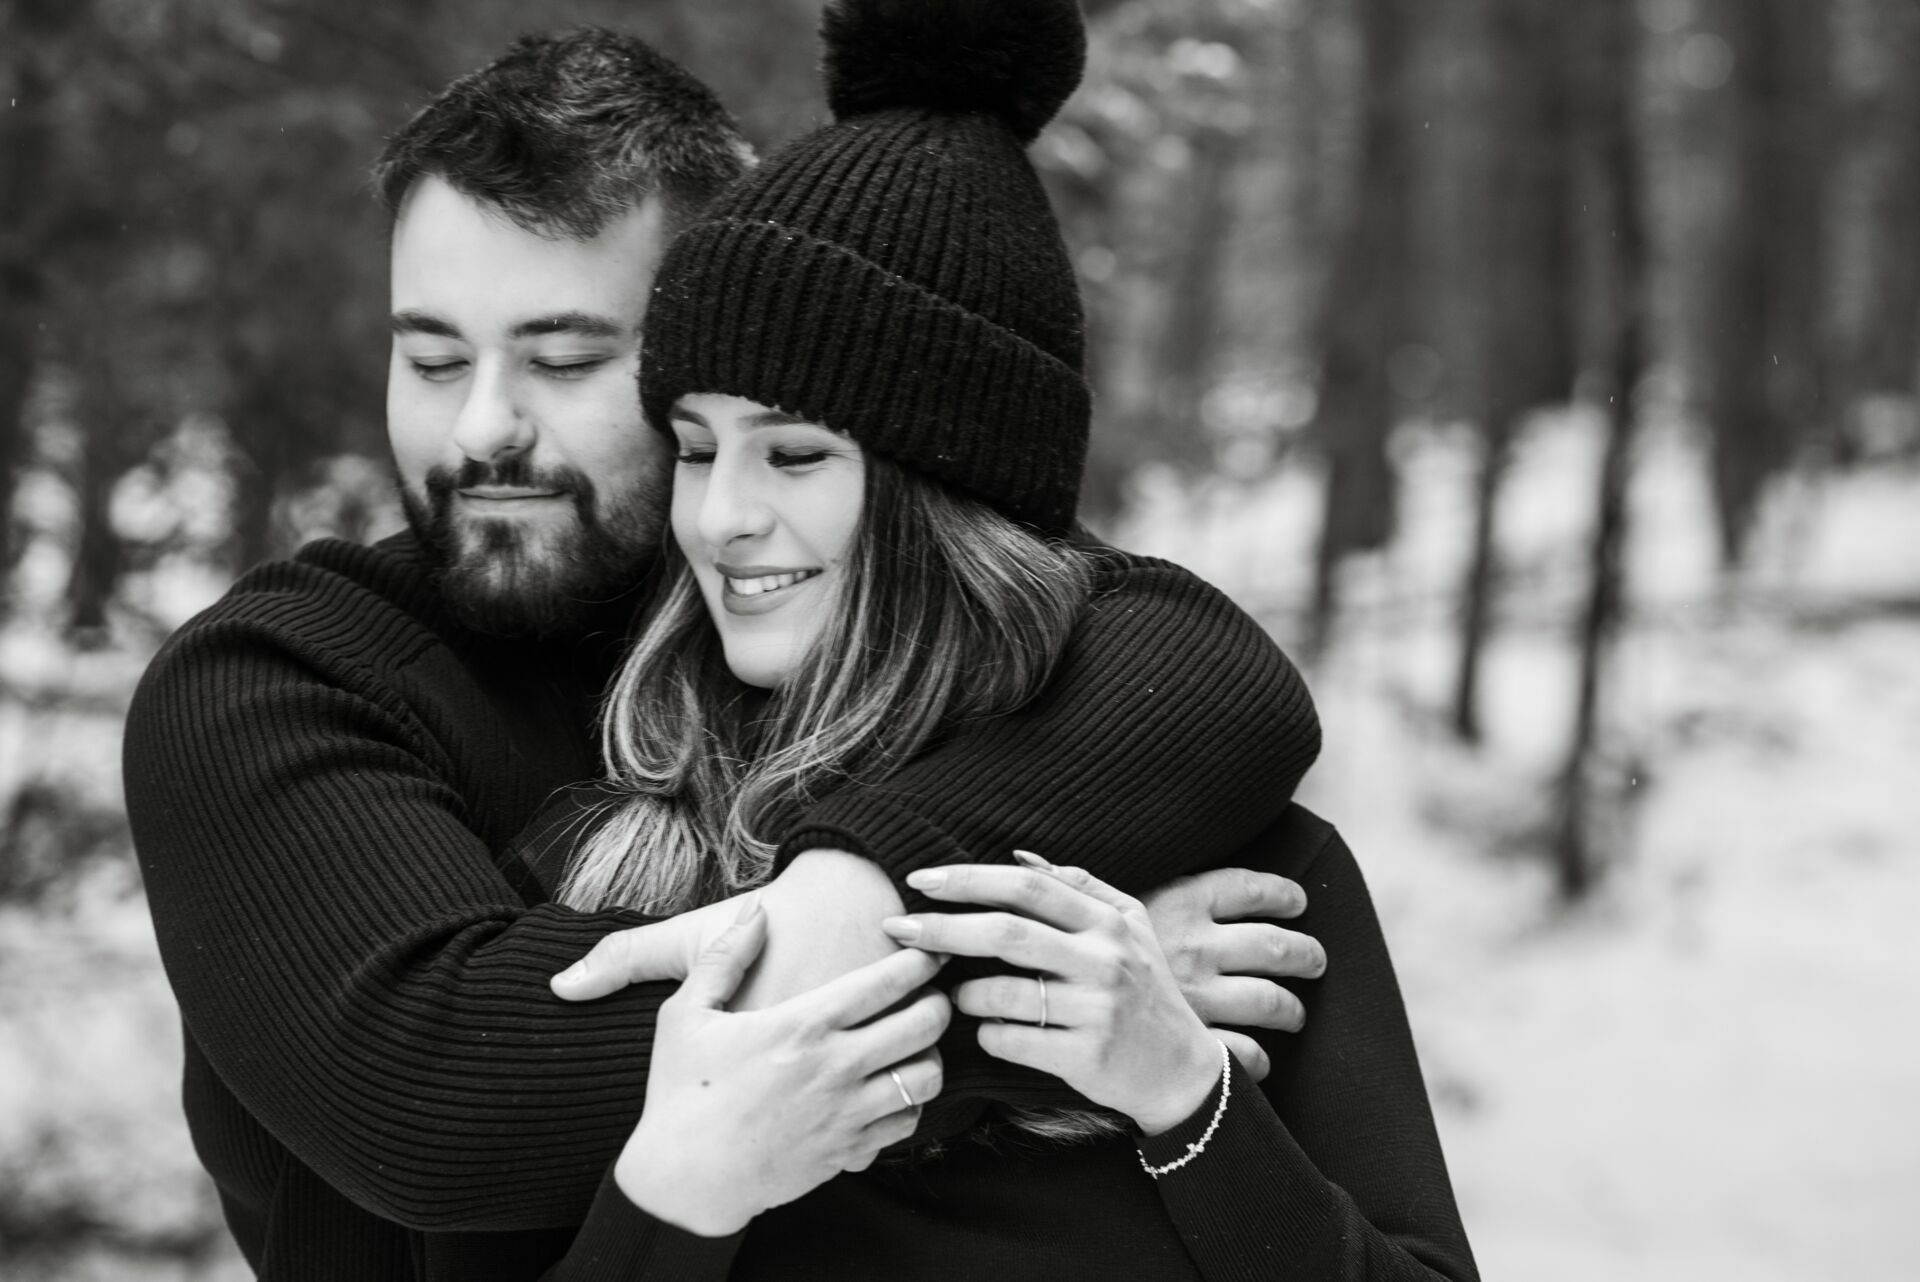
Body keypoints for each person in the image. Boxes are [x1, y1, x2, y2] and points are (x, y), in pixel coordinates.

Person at [121, 25, 1329, 1281]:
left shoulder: (781, 618)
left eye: (566, 359)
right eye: (430, 356)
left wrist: (864, 888)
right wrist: (1025, 1000)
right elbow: (451, 1100)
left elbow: (1208, 672)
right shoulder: (274, 680)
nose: (481, 427)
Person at [514, 1, 1477, 1277]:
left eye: (795, 451)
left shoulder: (1234, 884)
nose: (725, 515)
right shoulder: (615, 874)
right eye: (695, 449)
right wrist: (677, 1194)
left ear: (950, 488)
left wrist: (1187, 1099)